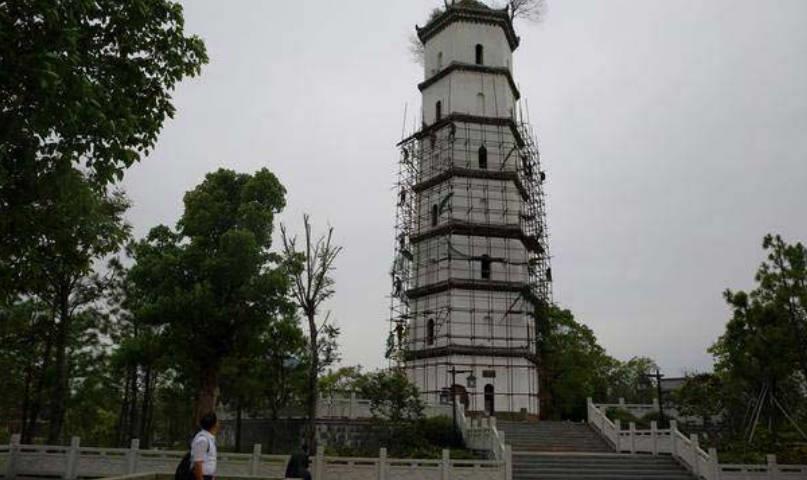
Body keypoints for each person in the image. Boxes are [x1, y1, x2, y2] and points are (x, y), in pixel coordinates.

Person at [191, 412, 219, 480]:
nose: (218, 424)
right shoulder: (202, 440)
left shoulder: (209, 439)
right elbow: (197, 463)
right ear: (213, 425)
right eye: (217, 422)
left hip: (208, 476)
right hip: (201, 477)